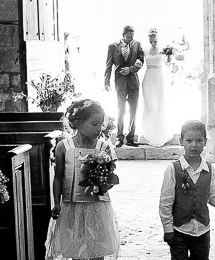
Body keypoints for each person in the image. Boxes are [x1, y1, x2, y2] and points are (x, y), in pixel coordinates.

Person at [47, 99, 121, 260]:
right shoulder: (63, 147)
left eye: (101, 125)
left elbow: (108, 180)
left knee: (97, 248)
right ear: (78, 123)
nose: (98, 129)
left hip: (96, 206)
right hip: (72, 206)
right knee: (76, 249)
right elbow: (58, 178)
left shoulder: (102, 147)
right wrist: (57, 203)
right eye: (94, 124)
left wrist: (104, 180)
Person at [160, 120, 215, 260]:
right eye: (189, 140)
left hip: (203, 231)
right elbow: (165, 203)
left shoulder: (209, 169)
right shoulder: (173, 169)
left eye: (198, 140)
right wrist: (168, 229)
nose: (194, 145)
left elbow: (213, 196)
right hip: (179, 230)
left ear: (205, 142)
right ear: (181, 141)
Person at [105, 25, 145, 147]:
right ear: (123, 35)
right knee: (120, 110)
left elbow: (141, 60)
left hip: (133, 83)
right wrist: (106, 82)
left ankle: (131, 137)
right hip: (120, 82)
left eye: (132, 36)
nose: (131, 39)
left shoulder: (137, 45)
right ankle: (119, 137)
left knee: (133, 110)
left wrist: (131, 69)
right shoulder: (112, 46)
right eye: (129, 37)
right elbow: (108, 65)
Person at [140, 28, 176, 146]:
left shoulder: (163, 50)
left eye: (155, 40)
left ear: (158, 38)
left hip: (159, 78)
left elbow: (169, 64)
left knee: (159, 105)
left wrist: (169, 57)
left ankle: (160, 133)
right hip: (148, 77)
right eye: (151, 40)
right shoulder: (144, 50)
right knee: (149, 106)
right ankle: (148, 133)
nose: (153, 42)